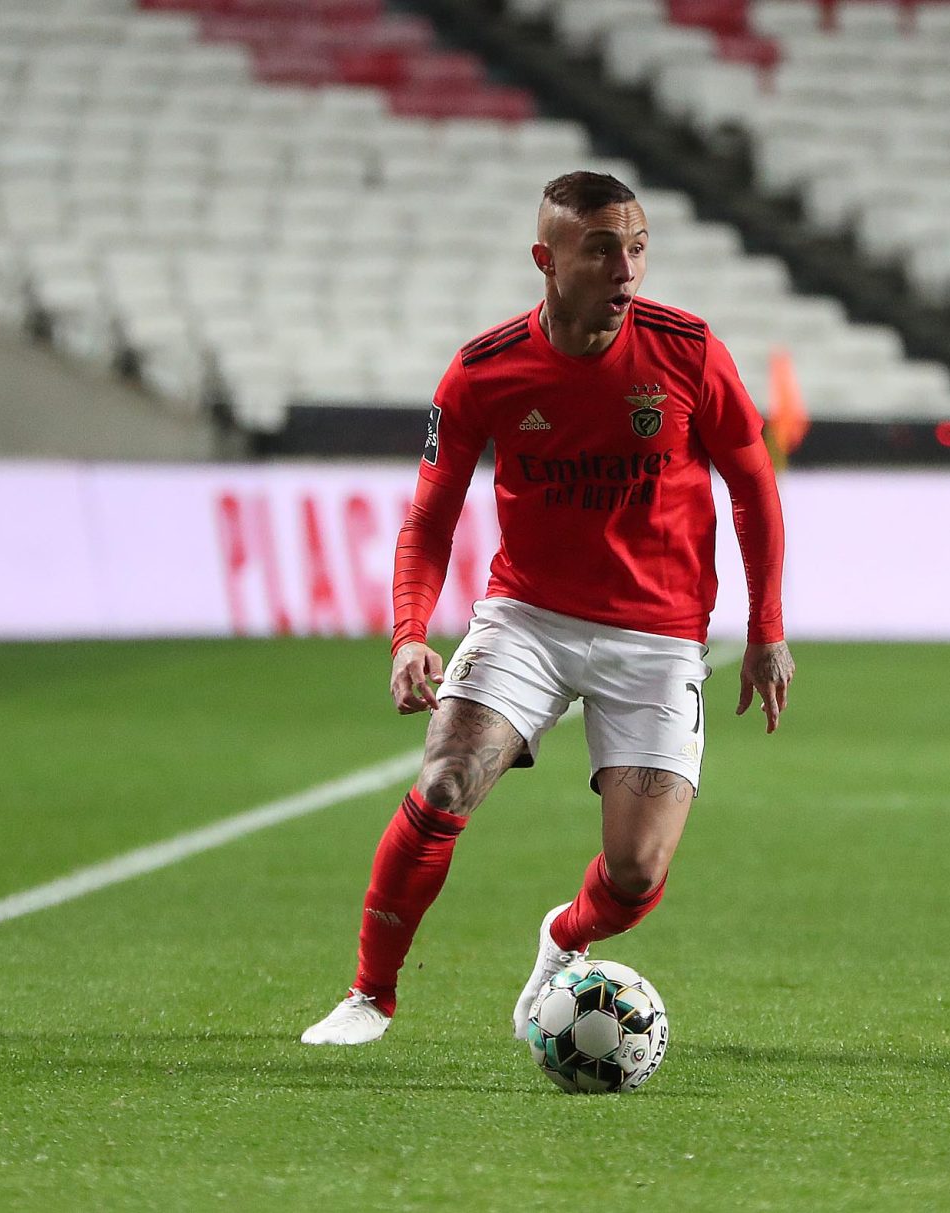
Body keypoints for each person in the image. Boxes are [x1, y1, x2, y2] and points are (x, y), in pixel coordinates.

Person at [302, 171, 793, 1046]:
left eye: (637, 247)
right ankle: (369, 995)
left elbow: (754, 487)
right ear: (548, 259)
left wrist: (766, 630)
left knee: (637, 873)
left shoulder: (687, 349)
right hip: (528, 618)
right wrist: (408, 634)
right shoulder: (486, 370)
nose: (627, 268)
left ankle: (564, 939)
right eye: (603, 248)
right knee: (446, 781)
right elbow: (430, 514)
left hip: (660, 633)